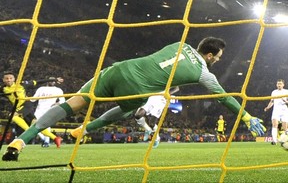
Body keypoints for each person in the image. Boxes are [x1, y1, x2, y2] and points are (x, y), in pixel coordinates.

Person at [2, 37, 266, 161]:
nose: (217, 62)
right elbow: (224, 99)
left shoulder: (179, 42)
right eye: (218, 58)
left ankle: (20, 141)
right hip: (136, 86)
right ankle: (86, 129)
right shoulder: (204, 73)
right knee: (132, 110)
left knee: (76, 103)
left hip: (118, 68)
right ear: (210, 55)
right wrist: (246, 115)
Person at [0, 71, 63, 149]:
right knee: (36, 125)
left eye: (10, 78)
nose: (9, 80)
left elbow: (38, 82)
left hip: (26, 105)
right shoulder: (3, 88)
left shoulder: (22, 84)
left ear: (14, 79)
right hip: (18, 108)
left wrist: (55, 79)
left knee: (13, 116)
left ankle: (28, 132)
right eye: (6, 79)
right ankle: (56, 138)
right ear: (3, 80)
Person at [31, 77, 65, 147]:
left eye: (54, 81)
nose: (52, 82)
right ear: (48, 81)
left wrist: (57, 104)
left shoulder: (58, 90)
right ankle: (44, 139)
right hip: (39, 110)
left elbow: (62, 101)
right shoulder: (41, 89)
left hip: (50, 109)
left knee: (46, 125)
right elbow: (33, 99)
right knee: (33, 126)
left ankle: (46, 142)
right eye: (51, 80)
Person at [264, 79, 288, 145]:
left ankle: (286, 139)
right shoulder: (274, 92)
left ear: (283, 85)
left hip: (284, 110)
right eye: (278, 84)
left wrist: (285, 101)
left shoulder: (286, 92)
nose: (279, 85)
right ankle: (274, 141)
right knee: (274, 125)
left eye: (280, 84)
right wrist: (268, 107)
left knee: (285, 127)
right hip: (276, 110)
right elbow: (272, 101)